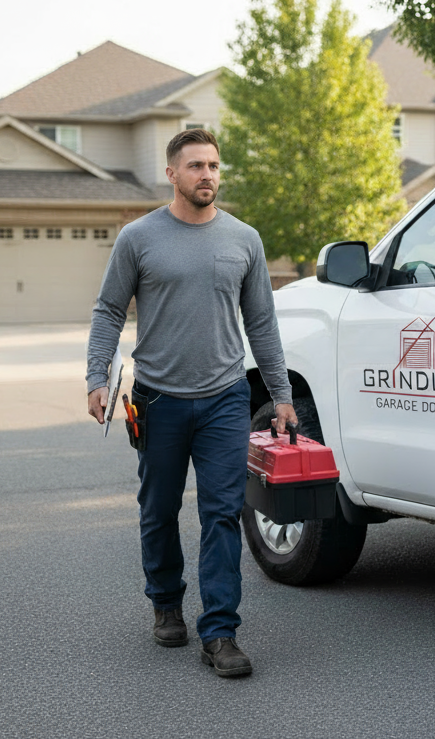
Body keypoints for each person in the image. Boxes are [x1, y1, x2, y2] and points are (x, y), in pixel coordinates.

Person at [86, 127, 296, 678]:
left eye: (214, 166)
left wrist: (281, 395)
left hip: (226, 398)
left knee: (222, 513)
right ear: (172, 173)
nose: (208, 175)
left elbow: (262, 322)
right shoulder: (138, 237)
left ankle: (221, 631)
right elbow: (109, 310)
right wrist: (96, 377)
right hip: (158, 401)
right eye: (197, 166)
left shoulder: (244, 239)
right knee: (158, 511)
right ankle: (165, 602)